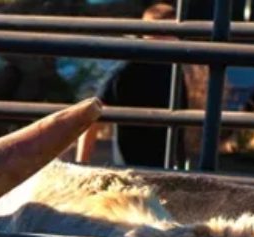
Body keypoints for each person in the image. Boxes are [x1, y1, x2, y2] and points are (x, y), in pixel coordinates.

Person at [76, 4, 185, 168]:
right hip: (132, 167)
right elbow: (93, 115)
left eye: (173, 33)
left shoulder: (175, 68)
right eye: (163, 32)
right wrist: (81, 165)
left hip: (167, 165)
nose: (171, 38)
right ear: (147, 34)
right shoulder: (129, 69)